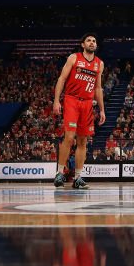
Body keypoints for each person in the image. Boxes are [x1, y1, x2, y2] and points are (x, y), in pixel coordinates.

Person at [52, 33, 106, 189]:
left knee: (83, 141)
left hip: (88, 104)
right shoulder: (73, 58)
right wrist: (56, 100)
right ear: (83, 44)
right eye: (88, 40)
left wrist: (102, 110)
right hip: (72, 100)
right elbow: (61, 79)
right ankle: (60, 173)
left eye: (94, 41)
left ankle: (78, 178)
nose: (91, 42)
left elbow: (97, 87)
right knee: (69, 137)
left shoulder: (99, 64)